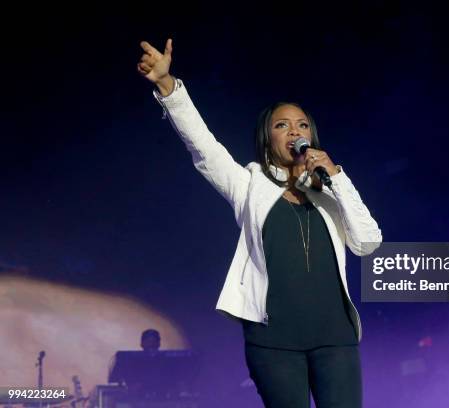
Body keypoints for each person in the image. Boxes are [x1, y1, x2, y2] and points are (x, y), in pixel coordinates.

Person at [137, 38, 382, 408]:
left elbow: (368, 242)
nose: (295, 131)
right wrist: (168, 86)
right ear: (269, 139)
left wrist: (337, 176)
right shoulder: (249, 185)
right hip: (274, 341)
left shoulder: (331, 192)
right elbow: (203, 147)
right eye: (282, 125)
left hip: (335, 337)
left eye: (302, 124)